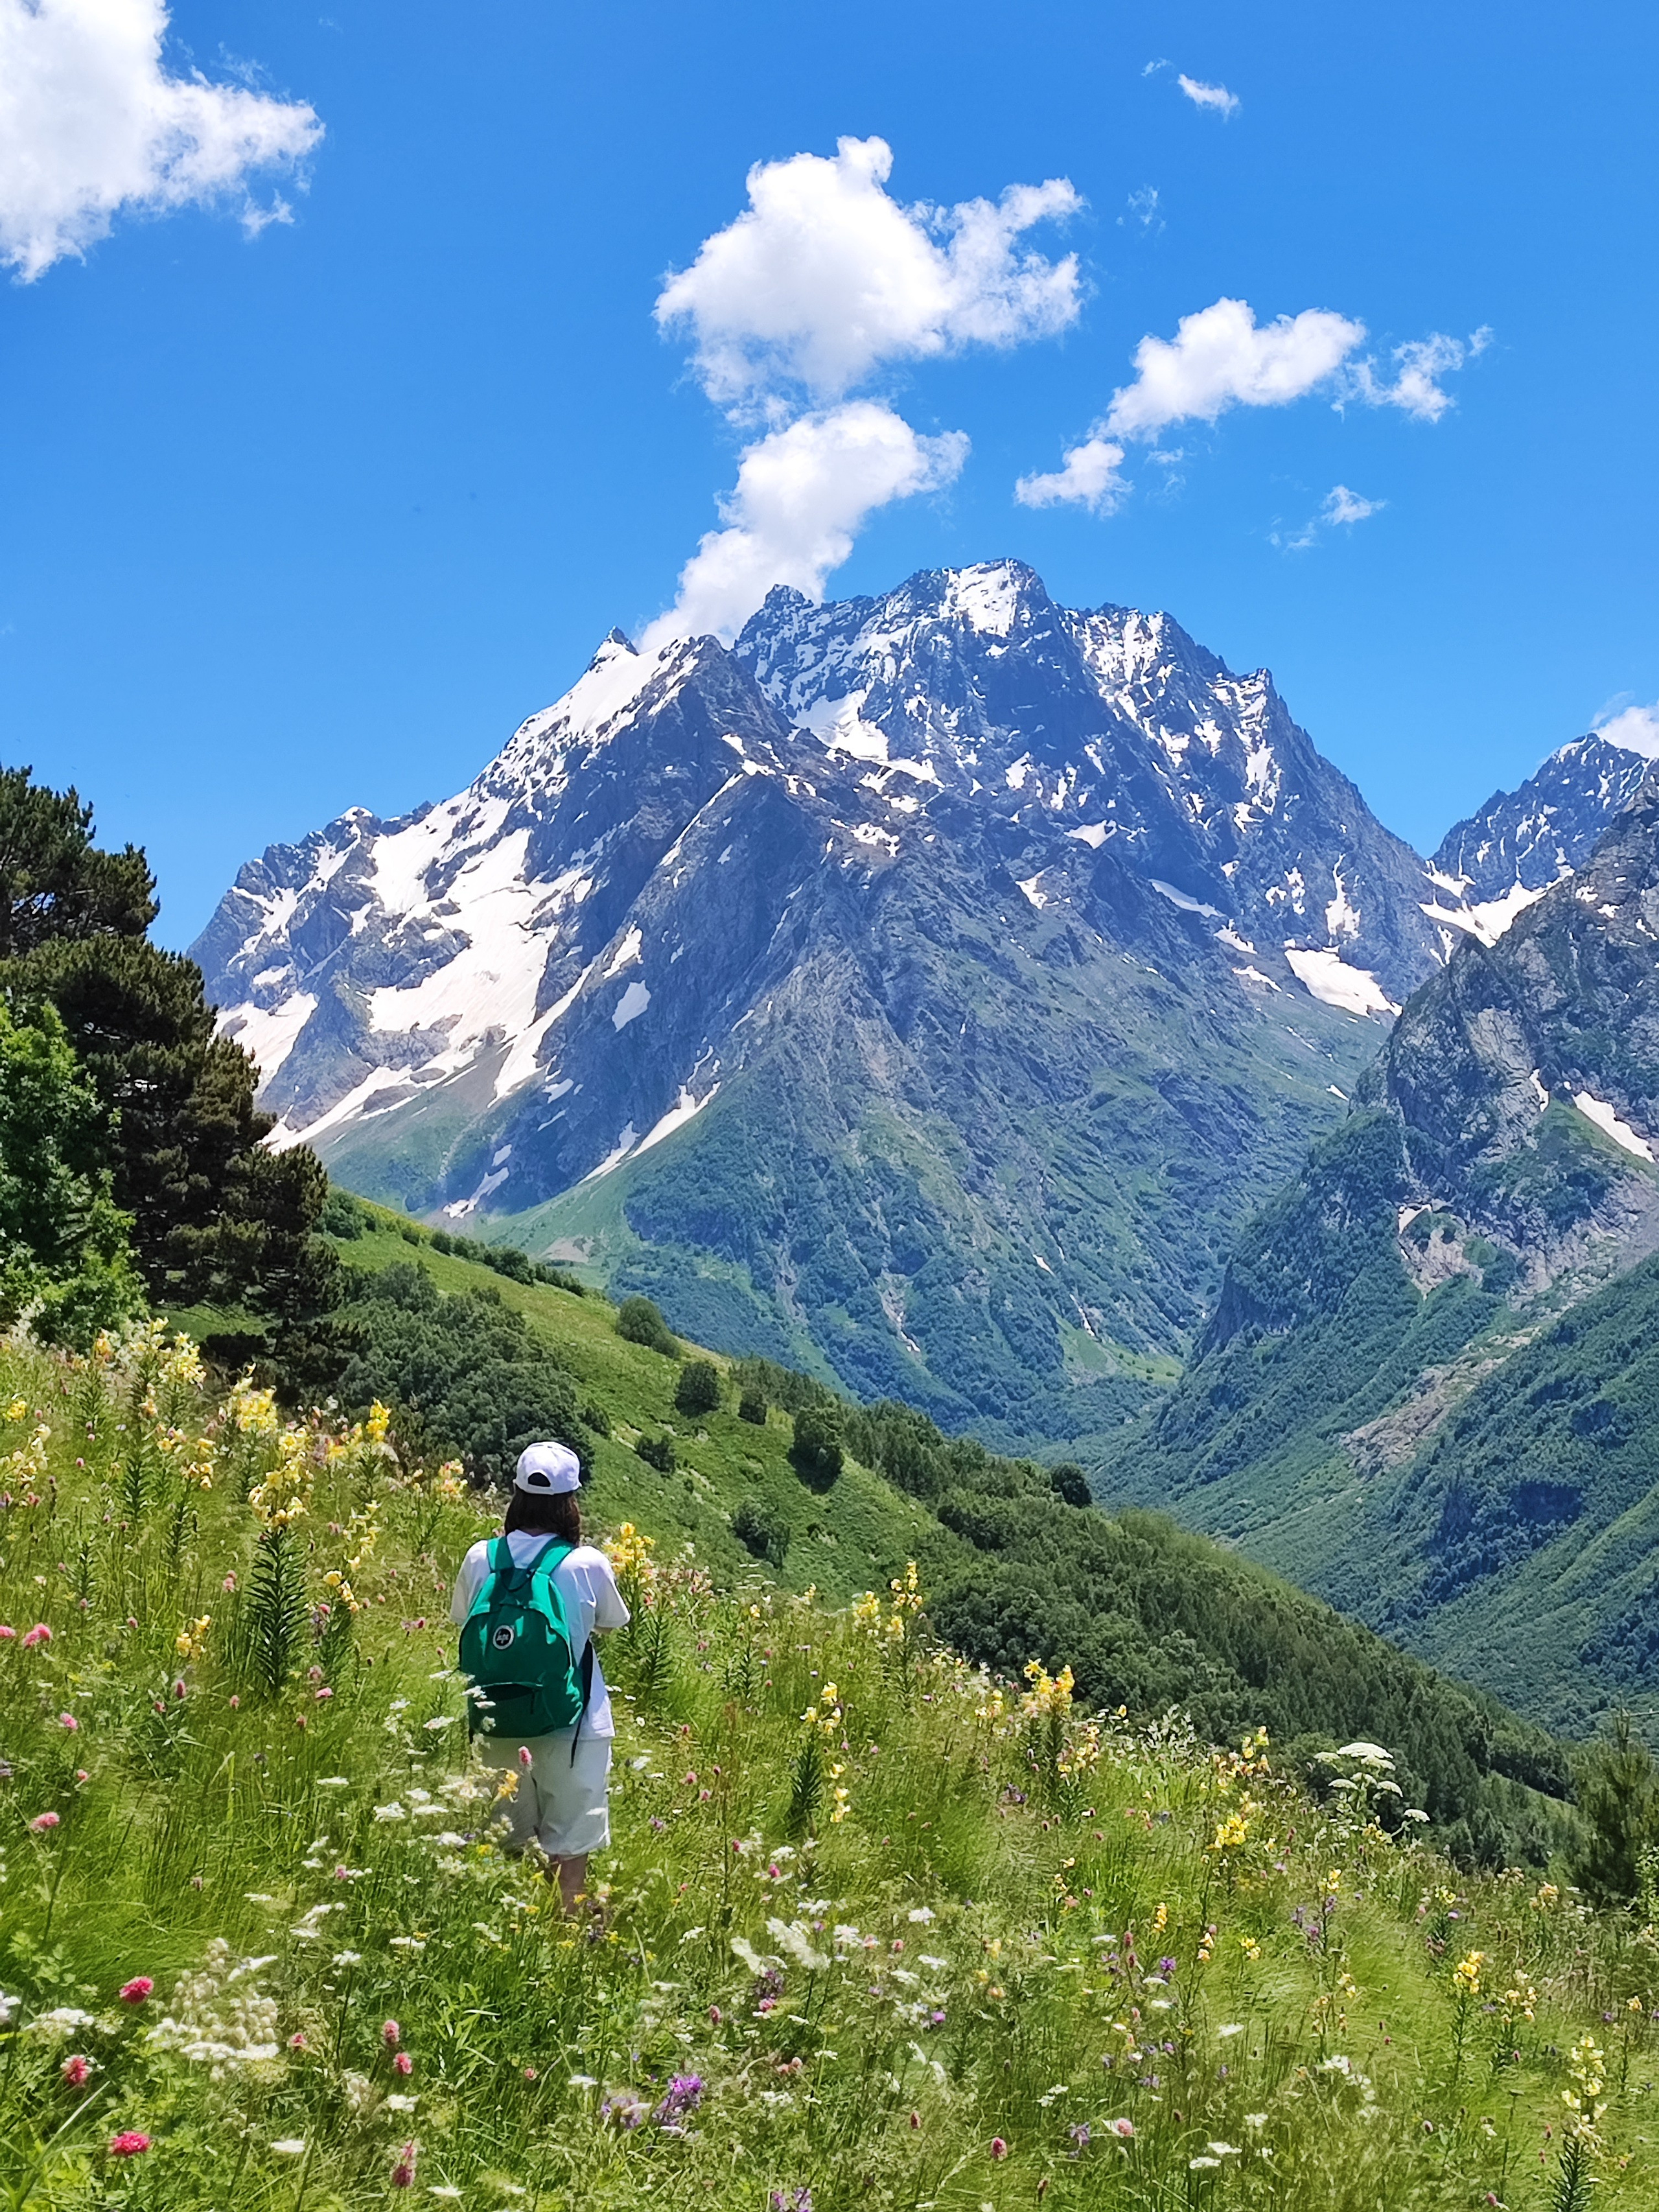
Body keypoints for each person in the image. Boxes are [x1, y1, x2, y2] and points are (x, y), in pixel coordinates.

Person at [448, 1441, 629, 1909]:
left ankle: (507, 1947)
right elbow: (611, 1621)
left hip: (497, 1722)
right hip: (574, 1727)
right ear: (571, 1502)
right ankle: (566, 1949)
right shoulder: (586, 1563)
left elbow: (462, 1618)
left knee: (505, 1846)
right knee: (569, 1856)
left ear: (517, 1494)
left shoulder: (480, 1557)